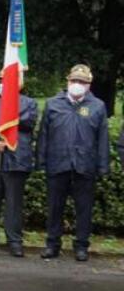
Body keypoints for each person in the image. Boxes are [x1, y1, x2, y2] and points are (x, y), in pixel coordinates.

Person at [36, 64, 110, 261]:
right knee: (54, 207)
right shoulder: (53, 104)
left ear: (89, 85)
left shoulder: (98, 106)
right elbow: (44, 134)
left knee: (84, 209)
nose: (77, 85)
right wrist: (41, 161)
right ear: (68, 82)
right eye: (74, 81)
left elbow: (103, 138)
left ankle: (81, 246)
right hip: (58, 163)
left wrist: (103, 166)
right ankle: (52, 244)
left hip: (85, 166)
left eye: (82, 82)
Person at [0, 72, 38, 257]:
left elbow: (28, 122)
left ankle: (14, 241)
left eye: (7, 81)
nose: (3, 84)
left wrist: (11, 117)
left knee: (14, 204)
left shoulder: (28, 103)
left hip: (16, 159)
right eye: (1, 81)